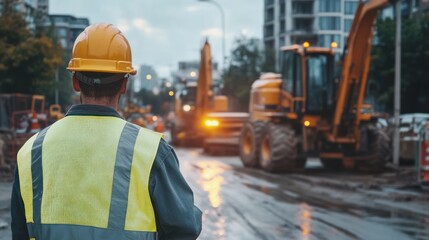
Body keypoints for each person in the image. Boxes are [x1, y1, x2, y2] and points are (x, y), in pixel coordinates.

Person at [11, 23, 202, 240]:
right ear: (124, 85)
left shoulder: (31, 150)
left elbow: (19, 233)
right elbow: (184, 228)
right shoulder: (151, 152)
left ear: (75, 82)